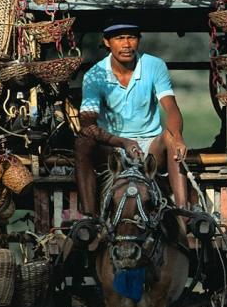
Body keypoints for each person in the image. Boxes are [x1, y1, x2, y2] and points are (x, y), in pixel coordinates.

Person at [75, 23, 191, 223]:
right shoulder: (94, 75)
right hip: (112, 147)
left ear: (139, 40)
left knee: (171, 137)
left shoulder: (154, 65)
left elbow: (171, 107)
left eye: (131, 37)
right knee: (82, 141)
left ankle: (183, 212)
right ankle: (90, 216)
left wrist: (179, 137)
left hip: (150, 146)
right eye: (119, 38)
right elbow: (88, 125)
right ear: (106, 42)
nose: (127, 44)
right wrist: (122, 142)